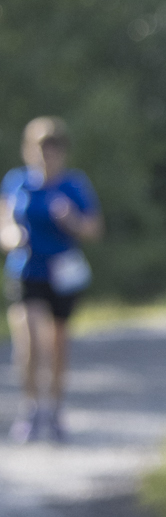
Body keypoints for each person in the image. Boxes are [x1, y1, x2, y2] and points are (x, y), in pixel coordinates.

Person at [1, 117, 102, 444]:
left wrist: (71, 220)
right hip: (27, 270)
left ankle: (55, 408)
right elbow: (3, 225)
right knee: (29, 338)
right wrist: (12, 236)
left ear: (62, 152)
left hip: (62, 274)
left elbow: (93, 229)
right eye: (41, 148)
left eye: (53, 148)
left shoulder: (73, 185)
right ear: (29, 150)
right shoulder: (16, 183)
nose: (47, 155)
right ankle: (31, 408)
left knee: (58, 343)